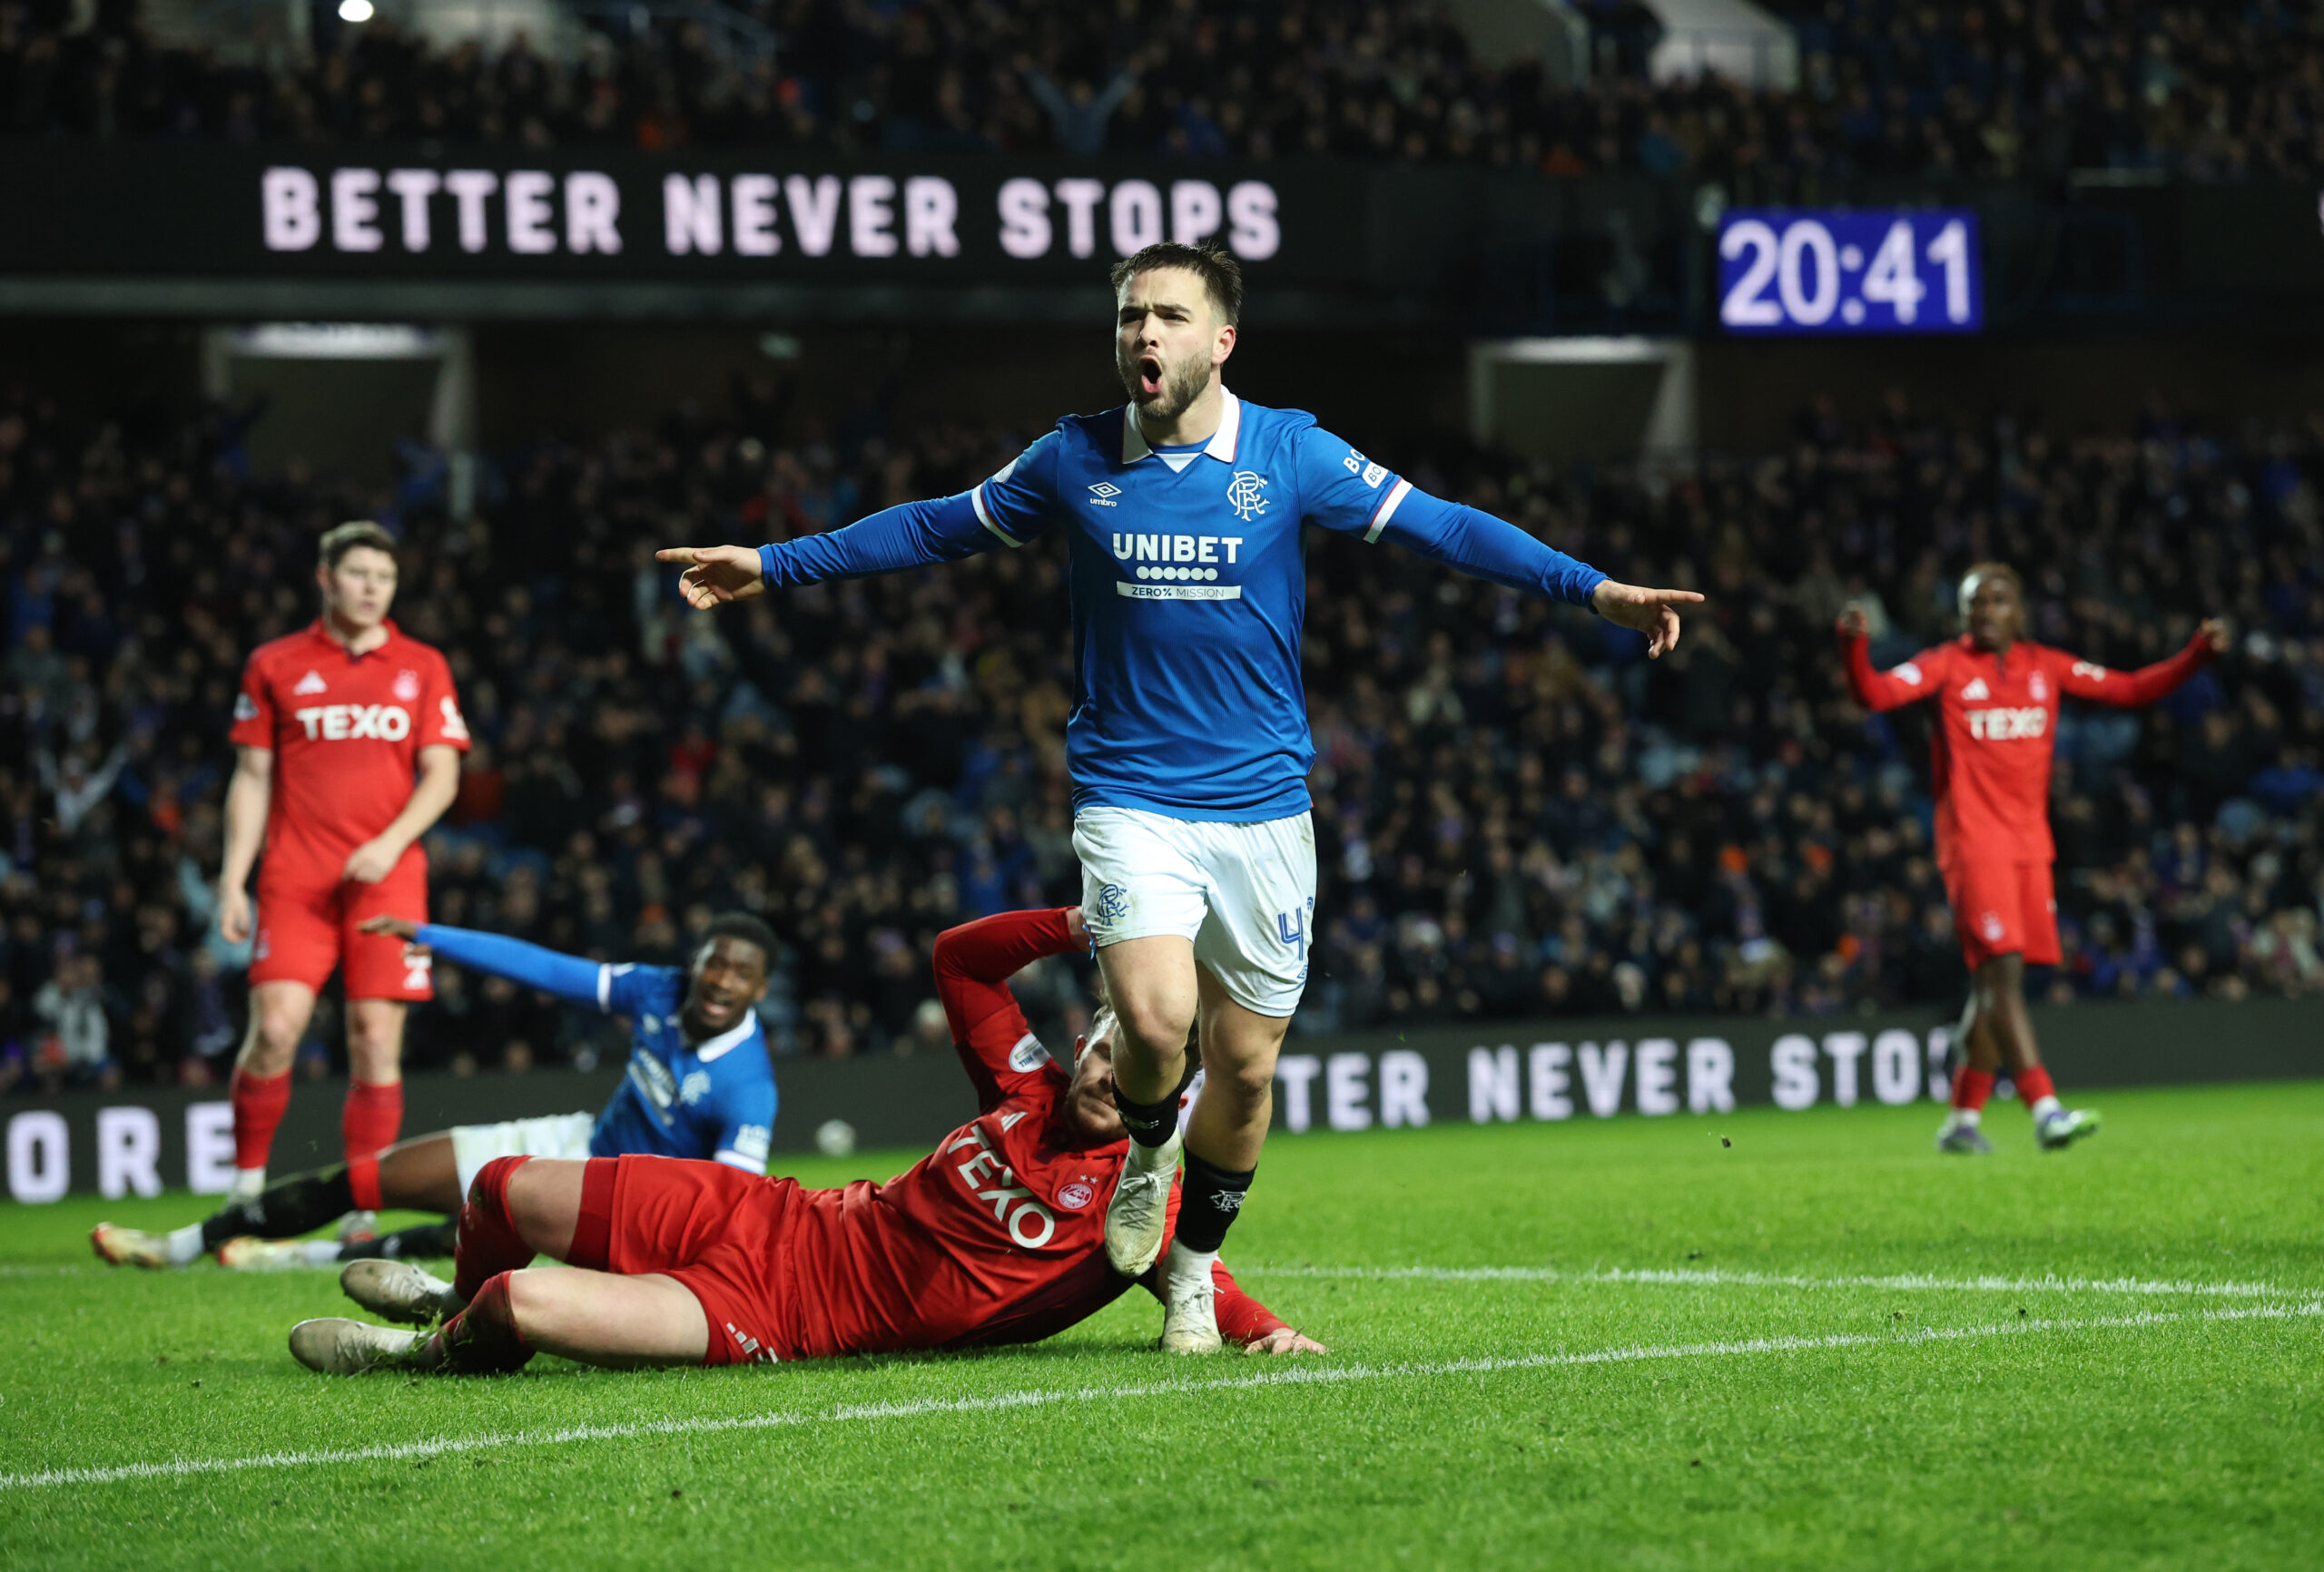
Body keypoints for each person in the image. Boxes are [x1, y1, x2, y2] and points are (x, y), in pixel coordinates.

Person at [654, 241, 1701, 1353]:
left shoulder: (1290, 452)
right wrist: (775, 562)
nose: (1143, 333)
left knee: (1243, 1069)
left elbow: (1444, 525)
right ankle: (1151, 1151)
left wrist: (1593, 589)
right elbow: (932, 526)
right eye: (1128, 316)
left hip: (1263, 809)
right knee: (1153, 1022)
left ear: (1221, 340)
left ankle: (1192, 1274)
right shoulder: (1071, 458)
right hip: (1129, 795)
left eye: (1167, 315)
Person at [287, 906, 1325, 1374]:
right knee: (499, 1188)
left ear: (1171, 1090)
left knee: (522, 1301)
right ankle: (450, 1296)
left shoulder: (1144, 1201)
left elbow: (1203, 1282)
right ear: (1089, 1043)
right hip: (769, 1212)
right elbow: (958, 960)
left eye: (1140, 1068)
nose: (1108, 1075)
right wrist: (1087, 922)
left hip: (782, 1312)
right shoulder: (1022, 1081)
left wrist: (1269, 1332)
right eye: (1105, 1051)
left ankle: (421, 1353)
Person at [92, 912, 779, 1271]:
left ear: (760, 989)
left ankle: (300, 1256)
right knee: (367, 1179)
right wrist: (431, 938)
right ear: (695, 963)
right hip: (572, 1142)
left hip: (617, 1206)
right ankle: (181, 1245)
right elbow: (546, 969)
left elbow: (732, 1210)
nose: (720, 981)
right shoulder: (658, 990)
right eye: (713, 963)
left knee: (470, 1240)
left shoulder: (749, 1090)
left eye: (739, 974)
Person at [1839, 565, 2227, 1153]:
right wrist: (1853, 647)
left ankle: (1961, 1123)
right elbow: (1873, 693)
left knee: (1991, 986)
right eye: (1974, 603)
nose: (1985, 611)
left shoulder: (2046, 666)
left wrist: (2196, 655)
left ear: (2019, 612)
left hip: (2029, 846)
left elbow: (2130, 689)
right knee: (2003, 975)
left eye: (1997, 600)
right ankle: (2044, 1109)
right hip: (1973, 844)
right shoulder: (1946, 664)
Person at [212, 521, 468, 1237]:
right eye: (357, 574)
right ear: (325, 579)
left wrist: (389, 844)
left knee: (375, 1040)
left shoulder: (422, 666)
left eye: (384, 578)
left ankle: (362, 1203)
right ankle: (244, 1189)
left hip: (388, 880)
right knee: (275, 1032)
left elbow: (443, 775)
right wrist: (232, 879)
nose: (371, 589)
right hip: (296, 878)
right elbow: (252, 777)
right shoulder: (275, 663)